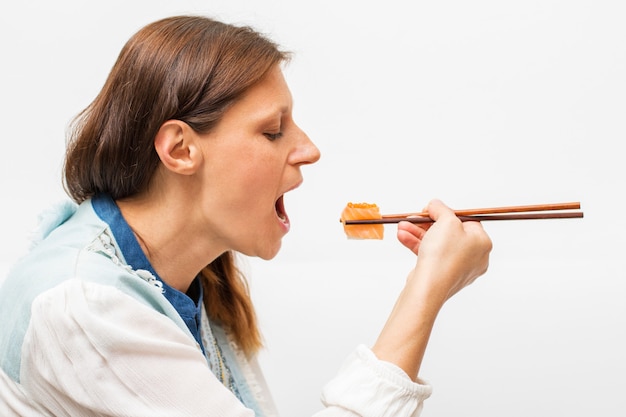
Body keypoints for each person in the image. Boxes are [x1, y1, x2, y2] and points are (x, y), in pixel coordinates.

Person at [0, 15, 492, 417]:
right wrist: (424, 292)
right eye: (274, 131)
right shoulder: (83, 307)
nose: (310, 150)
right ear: (181, 149)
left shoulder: (191, 281)